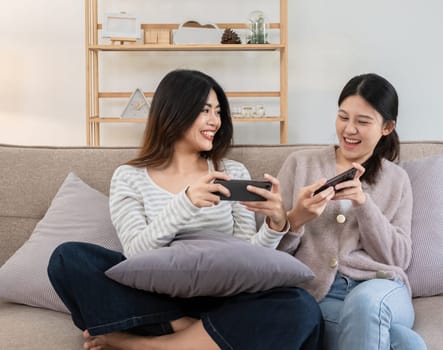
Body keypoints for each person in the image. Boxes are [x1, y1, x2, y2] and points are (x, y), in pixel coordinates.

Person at [47, 69, 323, 350]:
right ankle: (199, 333)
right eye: (205, 111)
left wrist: (275, 225)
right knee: (68, 258)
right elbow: (135, 253)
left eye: (218, 112)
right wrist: (186, 202)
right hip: (156, 298)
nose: (215, 121)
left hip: (224, 299)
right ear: (175, 112)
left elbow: (247, 260)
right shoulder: (129, 176)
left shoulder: (230, 172)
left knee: (301, 307)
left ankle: (143, 345)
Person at [277, 73, 427, 350]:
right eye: (343, 117)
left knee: (365, 302)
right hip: (321, 294)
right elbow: (272, 256)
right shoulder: (300, 164)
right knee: (405, 343)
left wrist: (364, 204)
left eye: (362, 121)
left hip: (383, 287)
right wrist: (297, 218)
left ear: (387, 127)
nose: (349, 129)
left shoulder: (396, 179)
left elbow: (399, 257)